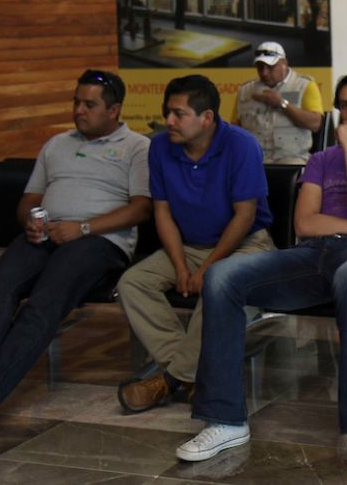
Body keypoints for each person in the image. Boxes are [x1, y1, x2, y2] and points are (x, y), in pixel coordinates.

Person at [175, 70, 347, 478]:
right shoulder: (321, 160)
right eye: (343, 105)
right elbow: (304, 224)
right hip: (314, 255)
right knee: (221, 278)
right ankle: (226, 420)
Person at [0, 70, 151, 441]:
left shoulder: (137, 147)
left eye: (90, 105)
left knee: (42, 305)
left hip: (98, 241)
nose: (79, 111)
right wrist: (31, 223)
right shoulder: (56, 144)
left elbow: (140, 209)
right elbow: (28, 200)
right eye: (76, 102)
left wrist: (83, 228)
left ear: (114, 109)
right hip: (46, 235)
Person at [116, 75, 276, 412]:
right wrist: (179, 265)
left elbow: (245, 216)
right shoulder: (160, 147)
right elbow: (162, 212)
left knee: (217, 288)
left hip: (246, 245)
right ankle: (191, 376)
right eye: (167, 112)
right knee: (132, 283)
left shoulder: (241, 145)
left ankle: (168, 381)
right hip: (188, 245)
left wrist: (206, 268)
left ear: (207, 118)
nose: (169, 121)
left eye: (178, 114)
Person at [231, 41, 324, 164]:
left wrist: (282, 104)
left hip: (292, 159)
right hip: (254, 159)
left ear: (284, 63)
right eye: (260, 67)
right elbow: (234, 130)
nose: (264, 73)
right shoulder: (245, 90)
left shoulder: (304, 85)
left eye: (270, 67)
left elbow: (316, 123)